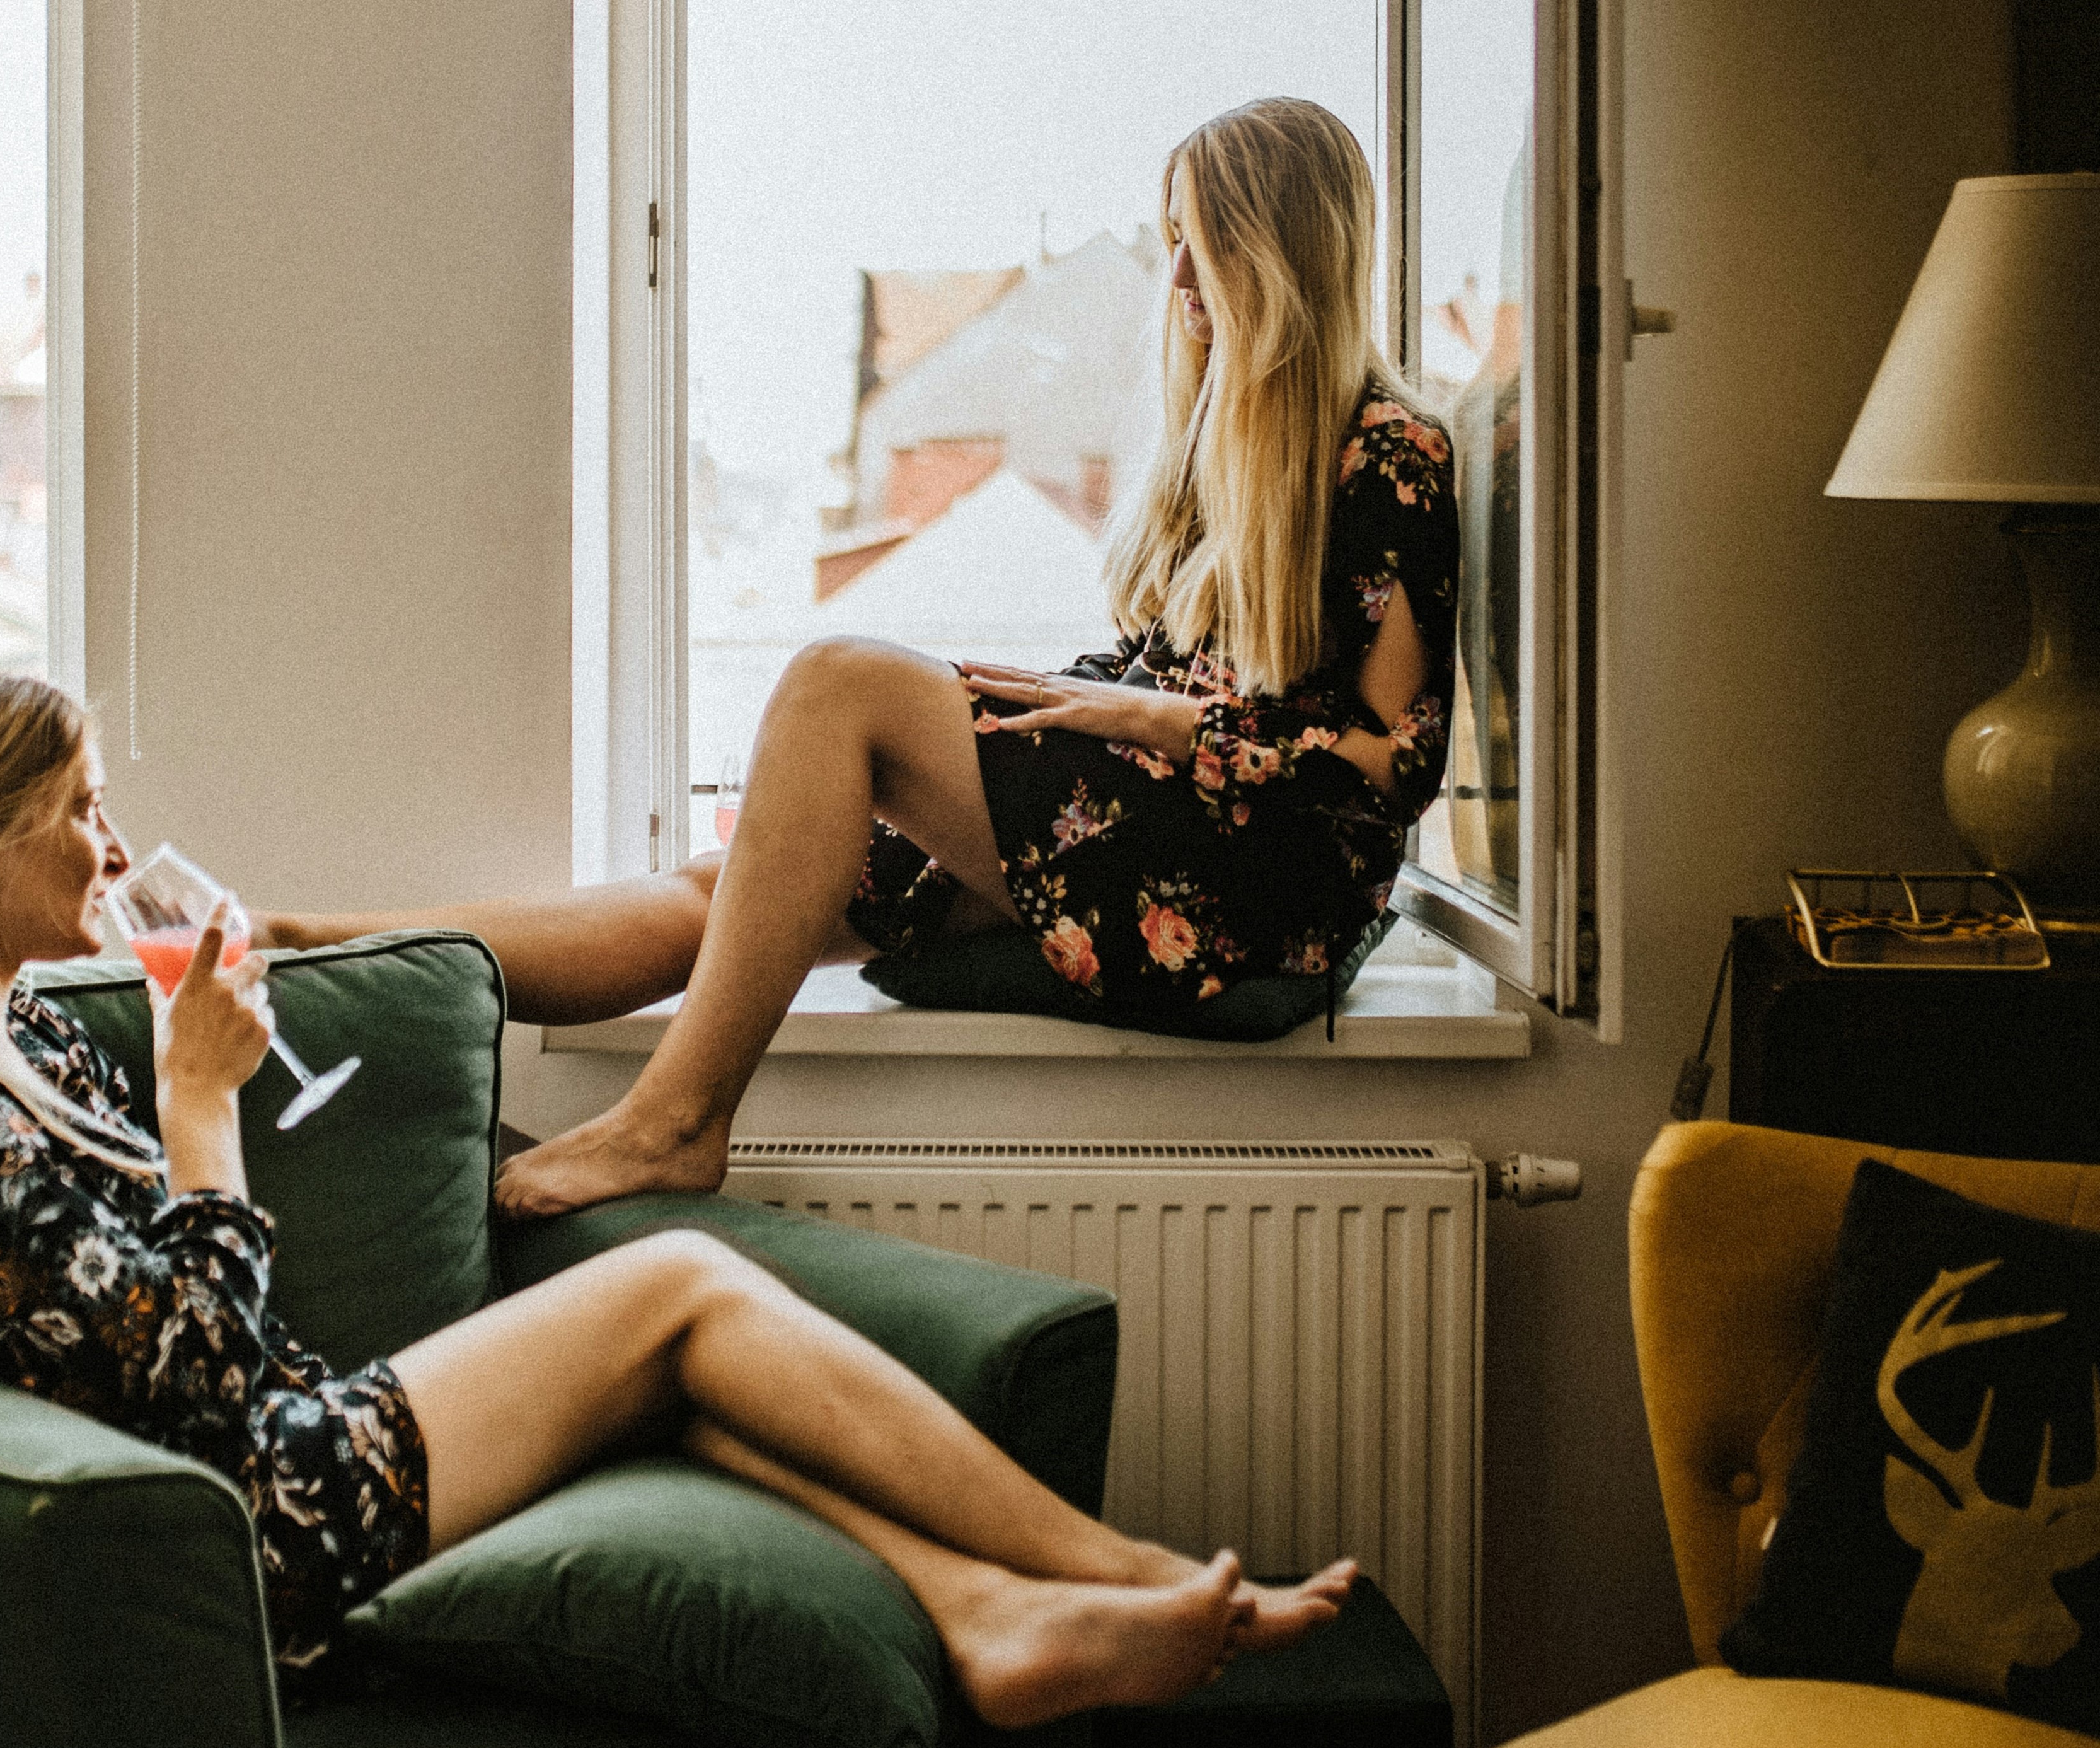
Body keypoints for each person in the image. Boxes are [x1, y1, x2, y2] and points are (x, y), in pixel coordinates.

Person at [0, 662, 1357, 1720]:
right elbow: (211, 1375)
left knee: (681, 1377)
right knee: (677, 1285)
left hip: (261, 1458)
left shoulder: (14, 1031)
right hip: (231, 1536)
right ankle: (1115, 1565)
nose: (112, 847)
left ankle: (986, 1614)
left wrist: (246, 1016)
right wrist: (201, 1107)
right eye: (80, 809)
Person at [266, 98, 1458, 1220]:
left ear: (1287, 253)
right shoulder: (1227, 453)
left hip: (1247, 882)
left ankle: (678, 1119)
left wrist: (1150, 726)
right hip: (1148, 819)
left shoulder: (1390, 455)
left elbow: (1394, 767)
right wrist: (1048, 702)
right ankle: (329, 946)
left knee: (841, 682)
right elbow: (1154, 668)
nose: (1182, 282)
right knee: (721, 893)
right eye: (1175, 245)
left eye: (1206, 245)